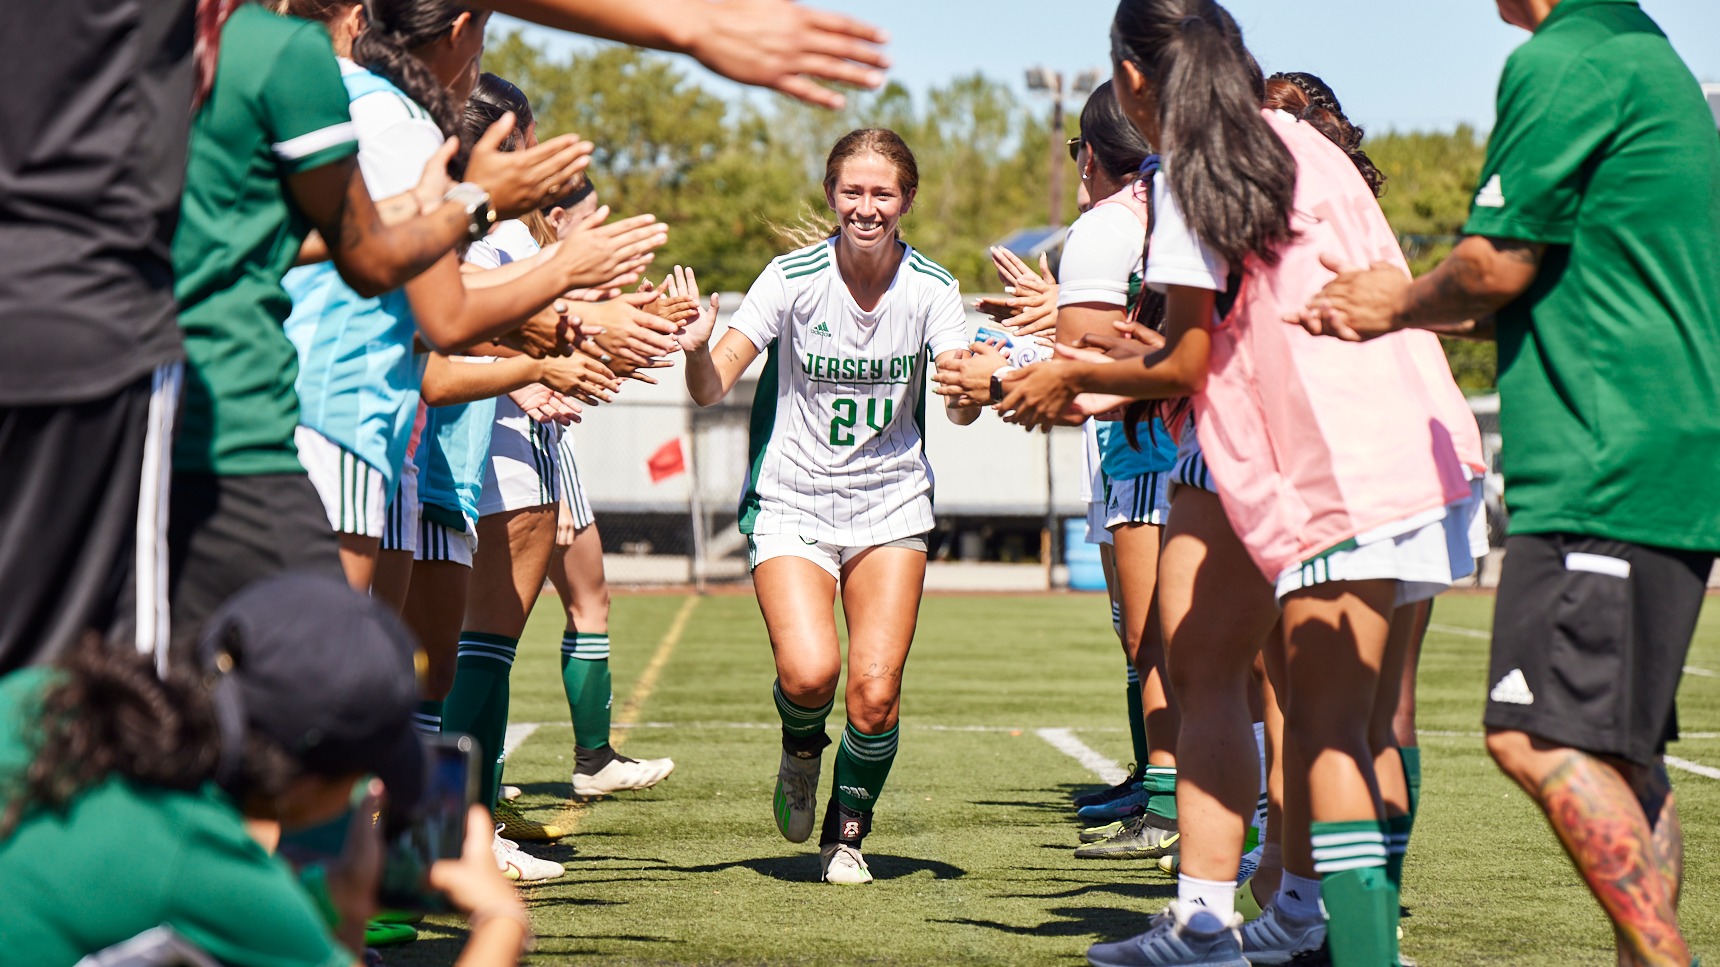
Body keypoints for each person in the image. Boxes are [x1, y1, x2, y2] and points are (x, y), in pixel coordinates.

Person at [998, 2, 1483, 963]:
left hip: (1328, 452)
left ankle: (1273, 930)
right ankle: (1269, 914)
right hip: (1405, 436)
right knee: (1285, 692)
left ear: (1135, 79)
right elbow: (1239, 323)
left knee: (1314, 718)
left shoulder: (1193, 163)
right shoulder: (1298, 140)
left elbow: (1183, 364)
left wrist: (1065, 373)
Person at [1294, 1, 1720, 962]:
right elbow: (1543, 285)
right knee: (1626, 753)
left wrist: (1392, 298)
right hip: (1667, 449)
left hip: (1600, 453)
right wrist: (1402, 314)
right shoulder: (1646, 54)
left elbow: (1492, 264)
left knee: (1529, 733)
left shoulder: (1562, 59)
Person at [165, 0, 595, 659]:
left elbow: (340, 247)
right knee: (312, 674)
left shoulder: (283, 89)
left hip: (286, 408)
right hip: (336, 410)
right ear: (458, 31)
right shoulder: (385, 114)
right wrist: (555, 270)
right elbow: (438, 310)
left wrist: (539, 320)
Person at [678, 129, 981, 884]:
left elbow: (964, 402)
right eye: (853, 191)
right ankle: (800, 746)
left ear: (906, 199)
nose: (867, 207)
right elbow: (711, 385)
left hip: (891, 502)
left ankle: (846, 834)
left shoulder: (933, 288)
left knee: (875, 693)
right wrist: (694, 344)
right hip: (794, 500)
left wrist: (973, 385)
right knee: (811, 674)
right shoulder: (790, 278)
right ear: (830, 194)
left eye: (883, 193)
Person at [0, 572, 530, 967]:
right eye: (363, 776)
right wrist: (499, 922)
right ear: (299, 785)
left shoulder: (39, 697)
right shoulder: (211, 866)